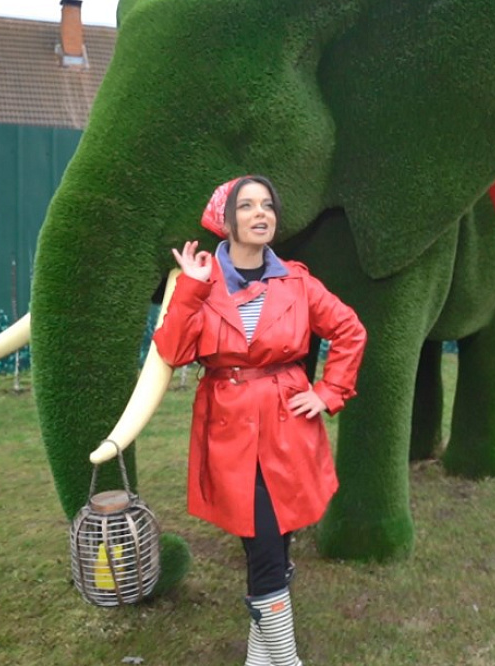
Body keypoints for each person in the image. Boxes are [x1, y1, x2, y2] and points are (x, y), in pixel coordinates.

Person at [151, 175, 366, 666]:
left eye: (266, 205)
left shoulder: (297, 280)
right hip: (228, 429)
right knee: (264, 547)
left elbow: (350, 330)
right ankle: (283, 660)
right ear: (226, 221)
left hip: (287, 427)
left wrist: (329, 391)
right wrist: (190, 290)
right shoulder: (202, 283)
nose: (260, 213)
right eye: (246, 206)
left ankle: (268, 660)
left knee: (270, 545)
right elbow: (174, 351)